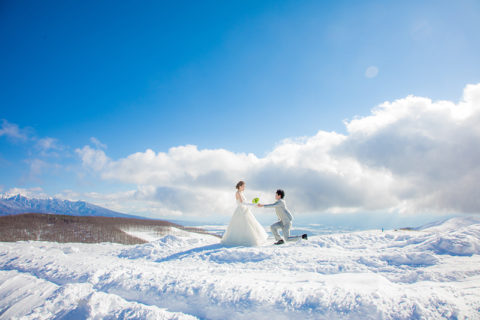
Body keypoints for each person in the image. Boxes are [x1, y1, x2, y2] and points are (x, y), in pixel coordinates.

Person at [221, 181, 268, 246]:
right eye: (243, 186)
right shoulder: (238, 193)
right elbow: (242, 203)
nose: (244, 187)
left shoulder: (241, 193)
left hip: (245, 209)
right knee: (243, 225)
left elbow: (245, 202)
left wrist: (253, 204)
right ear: (240, 186)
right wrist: (252, 204)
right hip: (241, 210)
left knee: (250, 224)